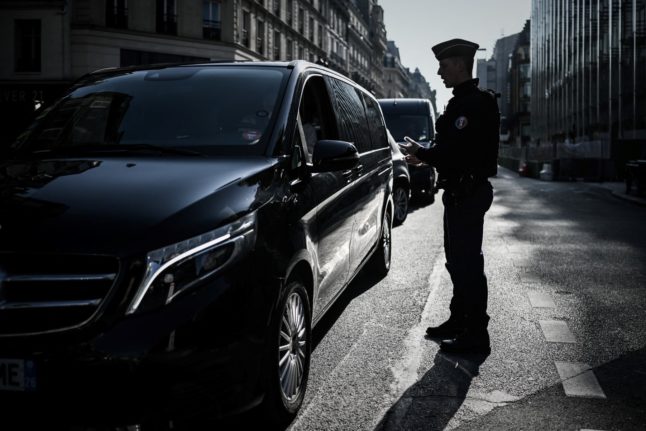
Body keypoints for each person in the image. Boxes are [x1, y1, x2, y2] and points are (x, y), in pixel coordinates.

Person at [400, 38, 500, 354]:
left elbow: (458, 153)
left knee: (468, 264)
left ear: (459, 64)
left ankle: (475, 334)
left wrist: (424, 154)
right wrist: (426, 156)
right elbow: (452, 151)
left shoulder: (473, 103)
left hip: (468, 192)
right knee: (458, 262)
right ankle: (459, 321)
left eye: (444, 66)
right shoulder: (465, 100)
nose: (440, 72)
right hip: (461, 191)